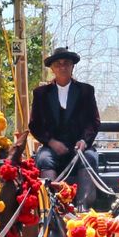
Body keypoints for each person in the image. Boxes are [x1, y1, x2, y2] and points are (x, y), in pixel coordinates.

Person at [29, 46, 102, 210]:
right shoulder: (40, 93)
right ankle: (51, 207)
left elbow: (94, 121)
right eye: (58, 64)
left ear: (72, 66)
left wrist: (84, 140)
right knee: (43, 159)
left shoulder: (86, 91)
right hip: (52, 148)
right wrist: (51, 142)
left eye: (66, 63)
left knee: (90, 158)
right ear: (52, 68)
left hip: (80, 148)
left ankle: (83, 206)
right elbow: (35, 124)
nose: (62, 67)